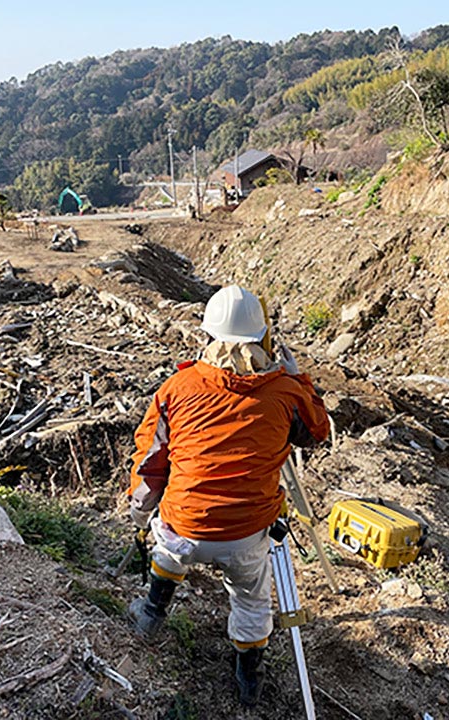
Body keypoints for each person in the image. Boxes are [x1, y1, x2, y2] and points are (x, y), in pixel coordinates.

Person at [126, 284, 329, 706]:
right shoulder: (286, 392)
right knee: (253, 600)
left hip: (185, 525)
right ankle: (249, 680)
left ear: (208, 335)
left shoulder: (176, 388)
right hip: (246, 533)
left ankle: (152, 613)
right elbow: (317, 432)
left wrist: (140, 513)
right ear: (262, 336)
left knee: (168, 548)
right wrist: (297, 379)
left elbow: (151, 462)